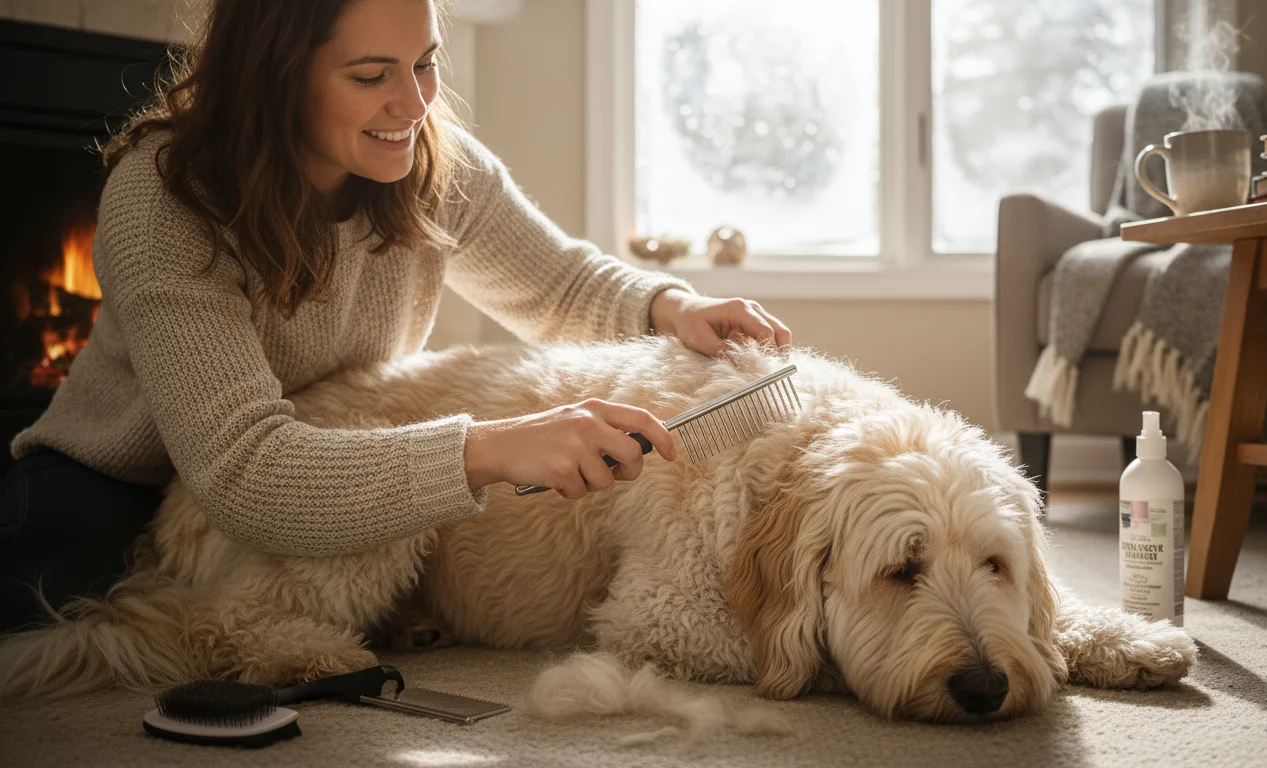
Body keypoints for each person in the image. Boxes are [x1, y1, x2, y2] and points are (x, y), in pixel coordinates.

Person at [0, 0, 791, 633]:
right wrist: (492, 448)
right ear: (276, 80)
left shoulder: (435, 165)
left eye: (424, 64)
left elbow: (559, 285)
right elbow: (245, 471)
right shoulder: (162, 200)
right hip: (114, 484)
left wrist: (671, 305)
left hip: (326, 458)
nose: (413, 103)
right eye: (372, 73)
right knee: (40, 653)